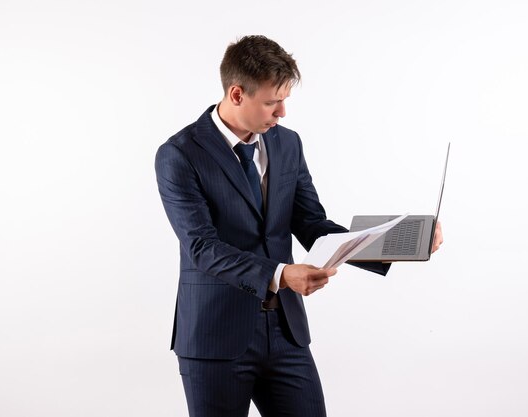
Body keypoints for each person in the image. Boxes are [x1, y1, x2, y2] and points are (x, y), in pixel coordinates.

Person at [155, 35, 443, 417]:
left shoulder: (287, 144)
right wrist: (282, 274)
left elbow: (311, 224)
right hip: (214, 336)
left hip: (285, 331)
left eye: (285, 100)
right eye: (273, 102)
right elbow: (201, 247)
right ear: (237, 94)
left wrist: (402, 240)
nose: (283, 113)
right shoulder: (179, 154)